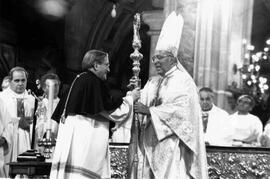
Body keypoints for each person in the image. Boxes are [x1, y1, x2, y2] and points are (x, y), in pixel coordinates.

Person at [126, 11, 208, 179]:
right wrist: (134, 92)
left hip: (170, 145)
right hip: (149, 142)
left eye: (160, 57)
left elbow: (183, 113)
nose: (155, 61)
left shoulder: (183, 81)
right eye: (155, 57)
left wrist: (150, 111)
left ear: (172, 59)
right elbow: (141, 102)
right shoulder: (155, 81)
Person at [50, 49, 138, 179]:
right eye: (107, 65)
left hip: (73, 136)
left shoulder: (80, 79)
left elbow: (100, 105)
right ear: (96, 65)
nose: (108, 69)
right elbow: (112, 111)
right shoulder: (93, 82)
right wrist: (131, 98)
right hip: (84, 137)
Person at [0, 67, 35, 171]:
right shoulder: (2, 98)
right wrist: (18, 122)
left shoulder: (33, 100)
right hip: (8, 143)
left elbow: (39, 124)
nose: (20, 83)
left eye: (23, 80)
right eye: (17, 80)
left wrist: (32, 125)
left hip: (28, 141)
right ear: (10, 81)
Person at [34, 73, 61, 152]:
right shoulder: (40, 104)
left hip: (59, 141)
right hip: (43, 142)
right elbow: (39, 123)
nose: (54, 88)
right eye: (50, 86)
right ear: (43, 88)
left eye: (56, 85)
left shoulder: (63, 104)